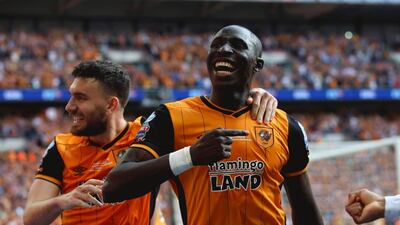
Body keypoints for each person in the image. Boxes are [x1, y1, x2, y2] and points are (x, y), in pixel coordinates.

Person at [103, 25, 323, 225]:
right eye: (216, 45)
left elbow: (304, 207)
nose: (224, 50)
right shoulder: (170, 117)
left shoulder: (285, 125)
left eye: (237, 46)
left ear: (257, 64)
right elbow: (113, 186)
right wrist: (189, 156)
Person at [23, 59, 278, 225]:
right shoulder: (61, 147)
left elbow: (210, 114)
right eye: (71, 97)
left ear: (111, 104)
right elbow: (31, 218)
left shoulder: (147, 134)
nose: (69, 107)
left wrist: (250, 96)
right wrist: (65, 200)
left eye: (80, 98)